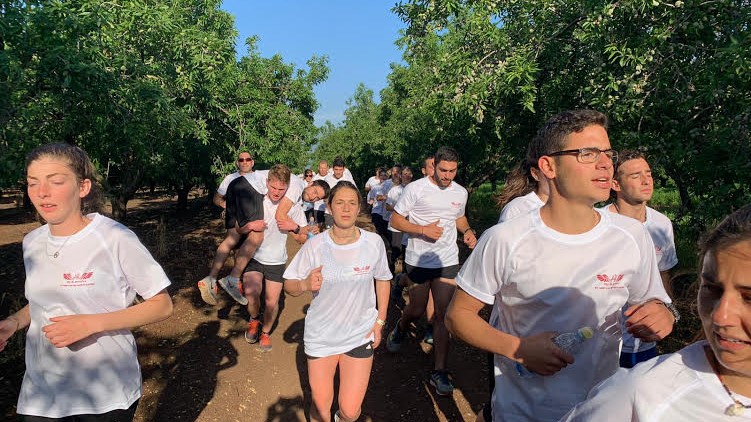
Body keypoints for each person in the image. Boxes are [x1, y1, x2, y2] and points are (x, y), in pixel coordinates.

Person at [446, 110, 676, 421]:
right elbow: (458, 315)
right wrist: (518, 349)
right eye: (587, 153)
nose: (606, 163)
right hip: (525, 411)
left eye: (608, 153)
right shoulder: (505, 239)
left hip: (601, 408)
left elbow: (654, 301)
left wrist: (664, 313)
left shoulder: (631, 235)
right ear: (548, 166)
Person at [0, 143, 173, 421]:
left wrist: (91, 323)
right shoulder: (32, 242)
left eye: (56, 181)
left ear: (83, 188)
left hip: (105, 395)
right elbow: (42, 303)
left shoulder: (115, 238)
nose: (42, 192)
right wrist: (13, 323)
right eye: (33, 183)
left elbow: (162, 305)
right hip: (42, 392)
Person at [561, 203, 751, 421]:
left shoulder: (658, 224)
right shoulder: (643, 395)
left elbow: (660, 282)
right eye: (711, 289)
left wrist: (666, 310)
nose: (720, 316)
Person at [283, 181, 392, 422]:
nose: (346, 208)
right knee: (321, 408)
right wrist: (304, 285)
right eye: (339, 202)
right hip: (322, 336)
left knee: (351, 411)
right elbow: (289, 283)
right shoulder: (316, 245)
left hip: (359, 333)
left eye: (352, 203)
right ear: (329, 207)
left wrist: (380, 321)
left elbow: (383, 279)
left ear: (359, 207)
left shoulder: (373, 243)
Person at [386, 146, 478, 396]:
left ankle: (439, 370)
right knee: (415, 309)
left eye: (453, 171)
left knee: (442, 314)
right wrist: (423, 230)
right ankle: (402, 327)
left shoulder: (460, 192)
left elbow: (459, 218)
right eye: (443, 170)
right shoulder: (415, 189)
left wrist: (467, 231)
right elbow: (395, 220)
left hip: (447, 259)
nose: (448, 176)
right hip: (418, 259)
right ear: (433, 166)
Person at [602, 150, 678, 368]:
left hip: (643, 342)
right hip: (603, 339)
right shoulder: (599, 223)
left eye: (649, 173)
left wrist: (667, 313)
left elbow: (664, 274)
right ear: (615, 185)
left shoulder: (661, 225)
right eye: (635, 176)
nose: (646, 181)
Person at [242, 164, 309, 352]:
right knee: (252, 295)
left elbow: (302, 238)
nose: (277, 193)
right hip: (255, 256)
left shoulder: (293, 208)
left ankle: (265, 332)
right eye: (273, 187)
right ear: (267, 183)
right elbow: (238, 227)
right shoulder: (256, 200)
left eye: (282, 189)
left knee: (272, 303)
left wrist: (294, 227)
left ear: (288, 188)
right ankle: (254, 319)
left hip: (277, 260)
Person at [197, 151, 255, 305]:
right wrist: (227, 206)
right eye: (241, 160)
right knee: (233, 242)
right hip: (236, 216)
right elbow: (217, 198)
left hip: (253, 218)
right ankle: (214, 278)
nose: (244, 162)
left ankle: (233, 284)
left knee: (244, 250)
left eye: (247, 159)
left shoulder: (258, 177)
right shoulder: (230, 178)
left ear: (252, 162)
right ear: (237, 163)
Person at [323, 157, 357, 228]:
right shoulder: (327, 179)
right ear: (333, 169)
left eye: (340, 170)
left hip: (344, 213)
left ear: (344, 169)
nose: (338, 172)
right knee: (329, 233)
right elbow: (324, 195)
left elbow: (355, 194)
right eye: (336, 169)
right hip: (329, 212)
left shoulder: (348, 179)